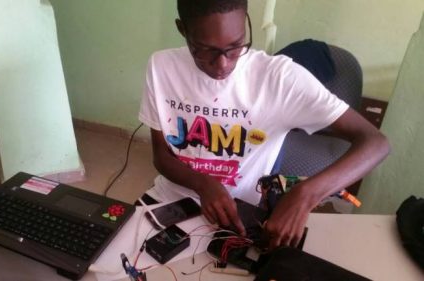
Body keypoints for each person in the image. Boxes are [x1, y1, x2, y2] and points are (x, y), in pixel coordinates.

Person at [138, 0, 390, 249]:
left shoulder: (279, 79)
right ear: (182, 29)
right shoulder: (162, 67)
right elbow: (161, 156)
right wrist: (203, 184)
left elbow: (376, 143)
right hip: (169, 202)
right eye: (205, 50)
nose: (223, 64)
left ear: (246, 21)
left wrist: (305, 195)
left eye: (236, 46)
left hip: (240, 216)